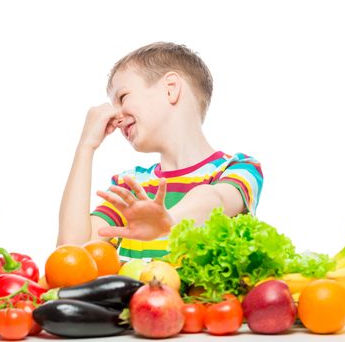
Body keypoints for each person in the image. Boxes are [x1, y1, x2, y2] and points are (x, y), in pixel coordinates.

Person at [57, 42, 263, 262]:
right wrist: (85, 147)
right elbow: (71, 253)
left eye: (123, 97)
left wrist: (166, 220)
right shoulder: (131, 186)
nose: (116, 116)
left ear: (170, 88)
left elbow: (214, 199)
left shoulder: (239, 168)